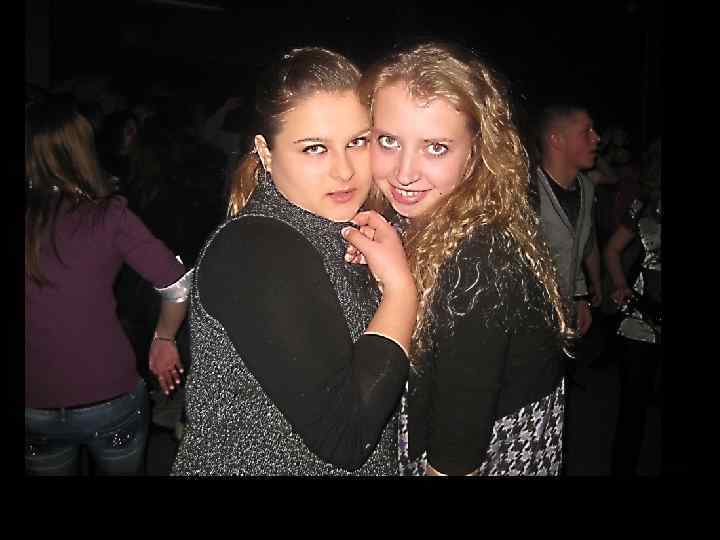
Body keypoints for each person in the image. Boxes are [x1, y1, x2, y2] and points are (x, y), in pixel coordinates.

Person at [171, 47, 416, 476]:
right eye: (315, 148)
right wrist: (400, 292)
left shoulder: (339, 225)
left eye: (357, 142)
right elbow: (347, 433)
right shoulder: (255, 250)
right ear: (265, 153)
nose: (344, 171)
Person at [347, 42, 572, 475]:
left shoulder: (478, 263)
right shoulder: (423, 220)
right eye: (389, 141)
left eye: (436, 147)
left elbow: (456, 454)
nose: (405, 172)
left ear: (476, 152)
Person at [25, 99, 190, 475]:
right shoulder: (107, 215)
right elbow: (177, 283)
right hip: (108, 394)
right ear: (82, 149)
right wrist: (164, 338)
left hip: (33, 402)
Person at [605, 137, 661, 476]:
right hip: (642, 318)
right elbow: (612, 250)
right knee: (633, 410)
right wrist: (621, 285)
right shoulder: (643, 204)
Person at [534, 104, 603, 337]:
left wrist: (580, 297)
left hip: (564, 314)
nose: (597, 138)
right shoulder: (525, 190)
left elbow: (575, 248)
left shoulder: (586, 188)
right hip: (528, 320)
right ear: (557, 140)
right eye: (586, 132)